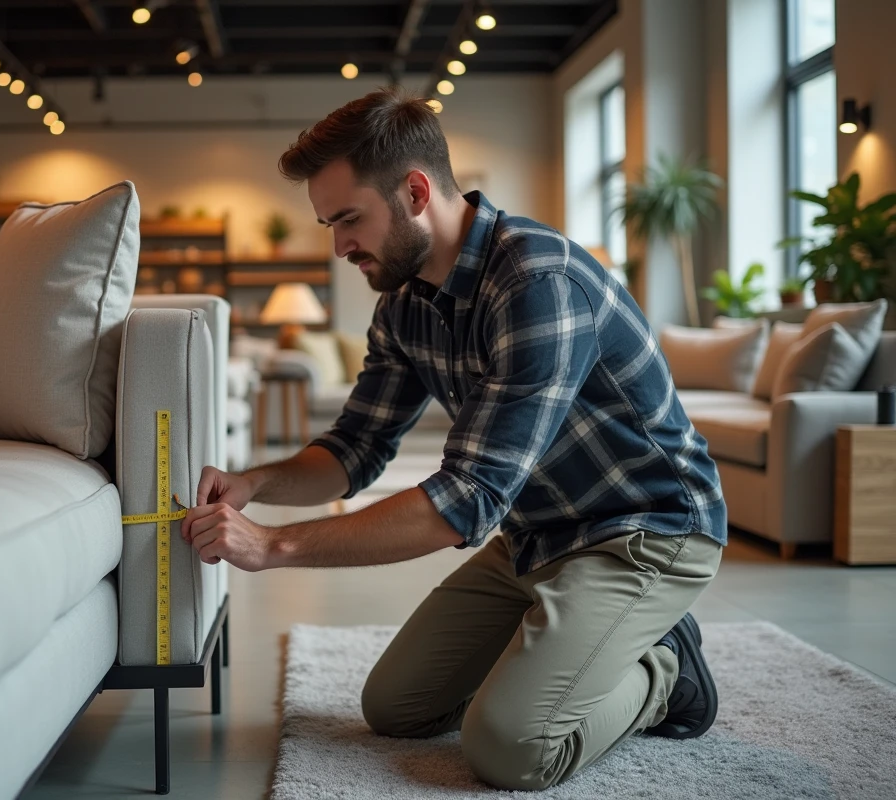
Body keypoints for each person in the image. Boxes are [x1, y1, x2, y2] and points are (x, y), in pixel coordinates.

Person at [178, 88, 727, 791]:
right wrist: (256, 483)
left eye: (348, 219)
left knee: (512, 747)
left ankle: (663, 666)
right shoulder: (403, 305)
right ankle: (571, 641)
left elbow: (465, 500)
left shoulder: (537, 281)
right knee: (396, 708)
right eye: (328, 223)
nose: (339, 245)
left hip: (645, 530)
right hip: (536, 536)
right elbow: (354, 450)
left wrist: (275, 545)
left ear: (414, 191)